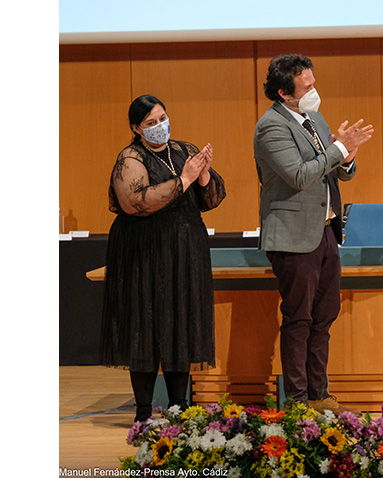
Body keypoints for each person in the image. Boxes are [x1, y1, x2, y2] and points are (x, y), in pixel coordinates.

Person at [253, 54, 374, 414]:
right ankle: (297, 400)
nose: (313, 92)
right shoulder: (271, 127)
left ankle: (319, 394)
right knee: (299, 318)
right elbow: (299, 175)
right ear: (283, 93)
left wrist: (347, 156)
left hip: (325, 231)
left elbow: (338, 173)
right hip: (292, 235)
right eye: (306, 88)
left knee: (325, 315)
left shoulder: (315, 119)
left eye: (313, 84)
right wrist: (337, 149)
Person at [101, 94, 226, 422]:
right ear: (136, 128)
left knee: (180, 326)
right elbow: (136, 202)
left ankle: (179, 408)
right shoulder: (131, 157)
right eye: (151, 123)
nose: (160, 126)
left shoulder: (185, 151)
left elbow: (211, 199)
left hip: (185, 252)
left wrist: (202, 177)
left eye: (162, 118)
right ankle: (143, 413)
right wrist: (184, 180)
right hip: (144, 254)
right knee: (145, 328)